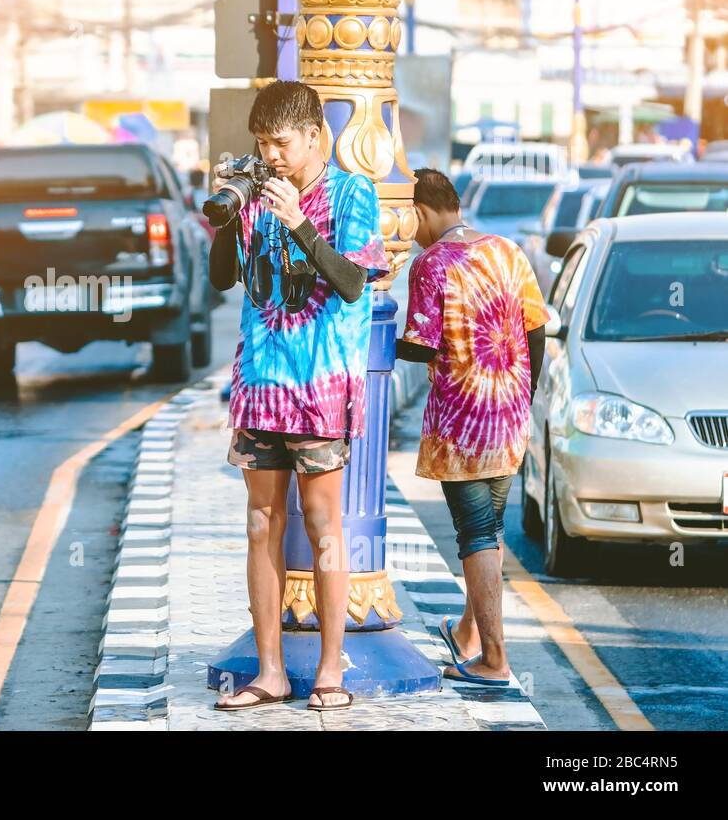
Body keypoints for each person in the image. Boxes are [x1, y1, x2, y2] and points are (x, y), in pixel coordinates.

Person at [208, 80, 388, 712]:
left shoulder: (351, 193)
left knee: (322, 525)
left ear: (314, 135)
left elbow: (349, 282)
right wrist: (226, 215)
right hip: (260, 384)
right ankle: (271, 671)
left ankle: (331, 671)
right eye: (262, 144)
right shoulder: (257, 194)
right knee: (262, 523)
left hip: (321, 388)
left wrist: (299, 223)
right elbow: (223, 279)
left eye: (281, 142)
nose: (272, 155)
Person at [396, 168, 547, 688]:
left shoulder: (430, 264)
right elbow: (537, 330)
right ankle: (468, 634)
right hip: (508, 417)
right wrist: (521, 399)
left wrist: (374, 334)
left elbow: (421, 346)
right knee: (491, 532)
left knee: (476, 536)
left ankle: (495, 659)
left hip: (462, 427)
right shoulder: (508, 250)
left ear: (419, 211)